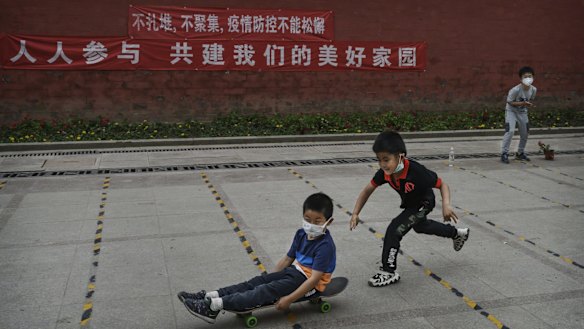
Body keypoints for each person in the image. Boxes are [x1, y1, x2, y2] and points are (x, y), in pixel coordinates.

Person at [178, 192, 336, 324]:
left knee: (264, 290)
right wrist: (270, 277)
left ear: (328, 222)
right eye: (307, 220)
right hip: (295, 272)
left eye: (317, 222)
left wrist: (288, 299)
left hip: (309, 284)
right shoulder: (301, 234)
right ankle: (210, 295)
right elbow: (287, 259)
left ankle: (213, 306)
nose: (311, 225)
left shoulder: (325, 246)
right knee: (256, 282)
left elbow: (314, 280)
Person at [349, 131, 469, 287]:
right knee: (420, 226)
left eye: (386, 159)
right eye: (379, 160)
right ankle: (457, 234)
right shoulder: (385, 173)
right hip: (411, 204)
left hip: (424, 202)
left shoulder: (416, 171)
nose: (383, 164)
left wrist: (446, 205)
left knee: (395, 229)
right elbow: (367, 190)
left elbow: (442, 185)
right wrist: (355, 213)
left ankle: (388, 271)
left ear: (400, 156)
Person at [501, 66, 537, 164]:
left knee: (525, 133)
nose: (528, 78)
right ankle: (504, 153)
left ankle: (520, 153)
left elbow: (529, 99)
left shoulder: (533, 90)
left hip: (522, 112)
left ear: (533, 77)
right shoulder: (515, 90)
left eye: (530, 76)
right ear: (521, 79)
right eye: (525, 77)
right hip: (511, 112)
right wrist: (523, 103)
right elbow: (509, 102)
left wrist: (527, 105)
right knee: (510, 131)